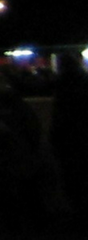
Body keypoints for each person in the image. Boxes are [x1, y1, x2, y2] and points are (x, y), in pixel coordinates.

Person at [0, 73, 46, 232]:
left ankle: (12, 222)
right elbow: (33, 127)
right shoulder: (18, 105)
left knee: (5, 187)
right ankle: (36, 221)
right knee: (26, 185)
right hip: (21, 151)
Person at [52, 54, 88, 225]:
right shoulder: (82, 82)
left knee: (72, 178)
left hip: (68, 140)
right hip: (81, 137)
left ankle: (79, 213)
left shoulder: (61, 85)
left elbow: (59, 117)